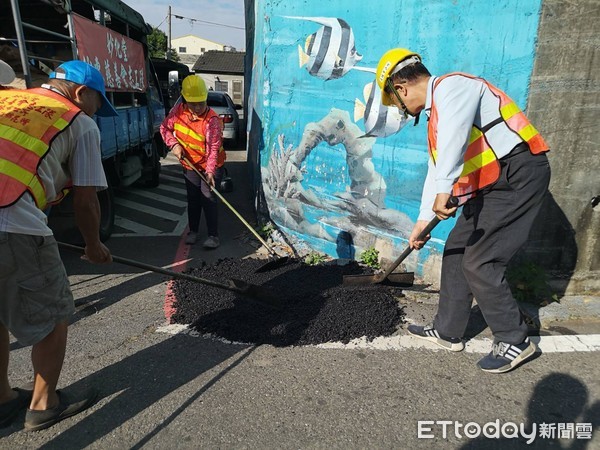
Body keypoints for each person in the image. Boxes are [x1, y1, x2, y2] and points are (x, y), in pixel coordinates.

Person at [375, 48, 551, 373]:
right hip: (493, 183)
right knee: (456, 248)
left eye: (396, 104)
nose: (401, 111)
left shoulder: (452, 87)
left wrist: (445, 189)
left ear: (401, 89)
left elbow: (454, 141)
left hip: (518, 174)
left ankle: (515, 339)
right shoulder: (437, 115)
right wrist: (423, 221)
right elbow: (438, 167)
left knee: (481, 260)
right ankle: (447, 331)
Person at [0, 60, 115, 430]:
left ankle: (2, 399)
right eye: (99, 102)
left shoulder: (8, 101)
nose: (98, 111)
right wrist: (94, 245)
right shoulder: (76, 120)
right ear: (82, 93)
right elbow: (86, 199)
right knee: (53, 316)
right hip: (12, 223)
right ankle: (44, 404)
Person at [160, 75, 226, 248]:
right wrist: (173, 145)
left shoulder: (212, 120)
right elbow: (164, 128)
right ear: (185, 101)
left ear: (206, 98)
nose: (197, 108)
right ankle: (193, 231)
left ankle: (213, 236)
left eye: (201, 103)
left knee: (208, 196)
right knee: (193, 198)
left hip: (211, 164)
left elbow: (212, 148)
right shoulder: (178, 113)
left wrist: (210, 172)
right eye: (193, 104)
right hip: (190, 164)